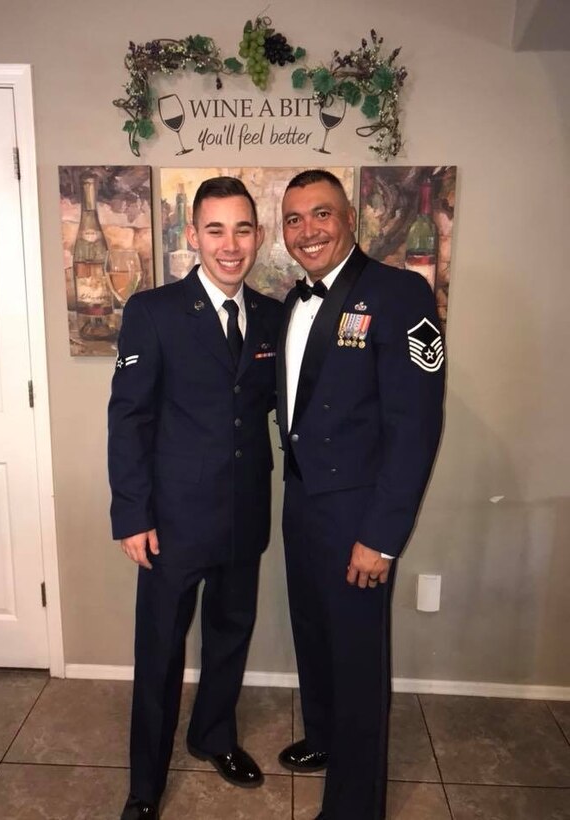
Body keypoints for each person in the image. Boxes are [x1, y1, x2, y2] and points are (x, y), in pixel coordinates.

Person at [108, 176, 283, 820]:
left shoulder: (271, 314)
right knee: (159, 652)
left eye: (242, 228)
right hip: (172, 524)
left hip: (244, 516)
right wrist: (132, 514)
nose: (230, 244)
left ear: (257, 236)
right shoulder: (152, 312)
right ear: (193, 236)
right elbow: (128, 419)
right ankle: (145, 786)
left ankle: (214, 734)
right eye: (215, 229)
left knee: (230, 635)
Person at [275, 170, 445, 820]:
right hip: (301, 503)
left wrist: (381, 536)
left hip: (357, 515)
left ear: (350, 219)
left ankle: (353, 806)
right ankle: (324, 740)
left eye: (320, 214)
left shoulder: (401, 295)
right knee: (314, 638)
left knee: (356, 661)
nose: (307, 230)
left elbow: (416, 426)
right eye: (294, 219)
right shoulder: (293, 302)